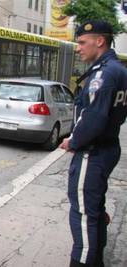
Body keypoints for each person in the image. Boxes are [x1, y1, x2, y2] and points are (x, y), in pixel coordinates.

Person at [59, 21, 127, 267]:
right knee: (95, 210)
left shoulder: (103, 74)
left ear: (100, 41)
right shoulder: (118, 70)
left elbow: (94, 118)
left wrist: (73, 141)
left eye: (82, 42)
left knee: (84, 217)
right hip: (108, 147)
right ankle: (96, 260)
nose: (78, 48)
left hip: (93, 152)